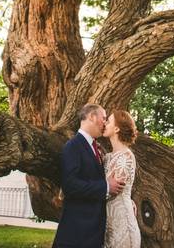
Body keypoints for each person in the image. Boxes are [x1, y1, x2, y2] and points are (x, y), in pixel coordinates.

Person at [53, 103, 125, 248]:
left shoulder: (96, 148)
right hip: (77, 234)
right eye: (103, 118)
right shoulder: (73, 146)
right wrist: (106, 186)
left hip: (92, 232)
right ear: (92, 117)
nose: (105, 123)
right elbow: (70, 186)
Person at [102, 110, 140, 248]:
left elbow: (113, 190)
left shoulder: (126, 156)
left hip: (122, 226)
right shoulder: (107, 157)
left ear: (117, 128)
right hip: (107, 225)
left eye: (109, 121)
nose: (104, 123)